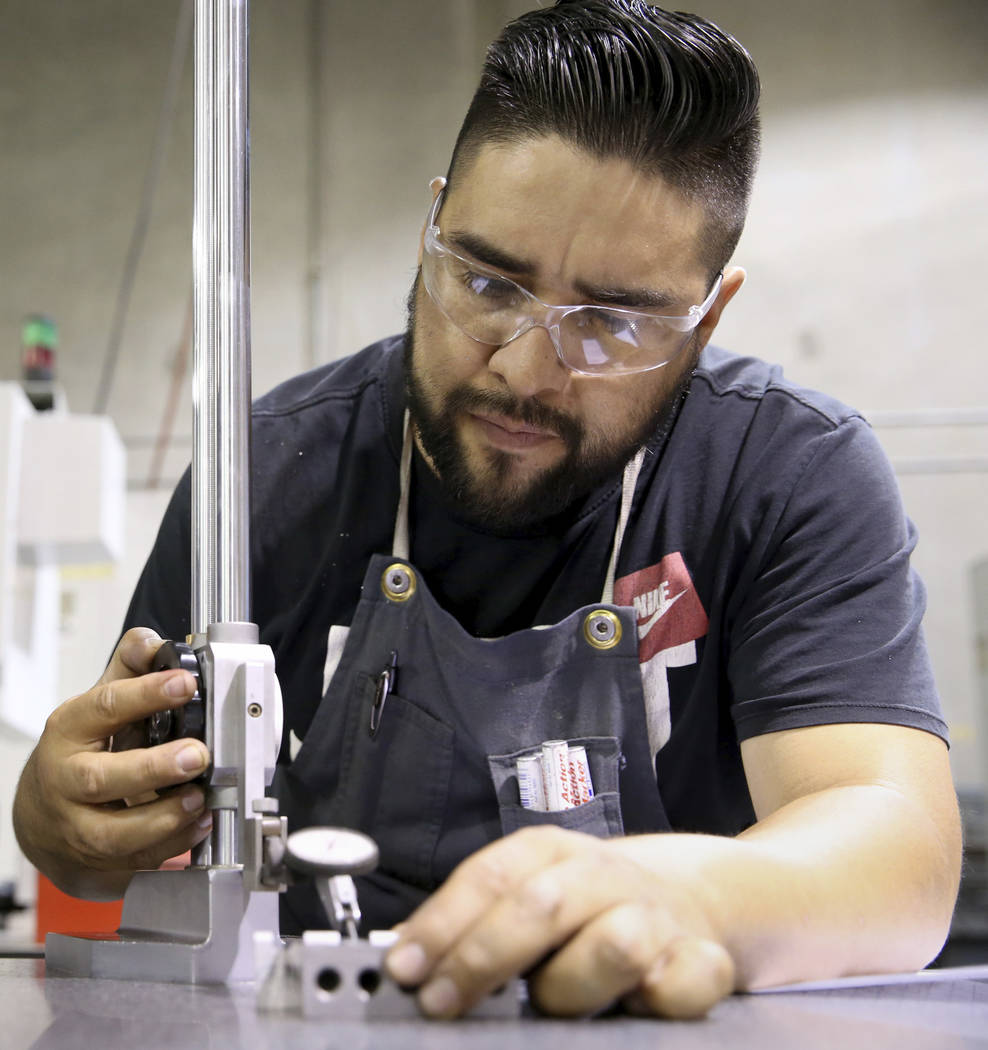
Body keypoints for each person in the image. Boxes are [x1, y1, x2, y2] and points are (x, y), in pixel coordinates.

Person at [13, 0, 960, 1022]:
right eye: (486, 281)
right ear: (431, 229)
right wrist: (59, 818)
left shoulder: (785, 475)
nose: (523, 368)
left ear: (705, 318)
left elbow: (896, 853)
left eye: (609, 322)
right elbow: (121, 843)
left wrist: (679, 893)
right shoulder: (269, 473)